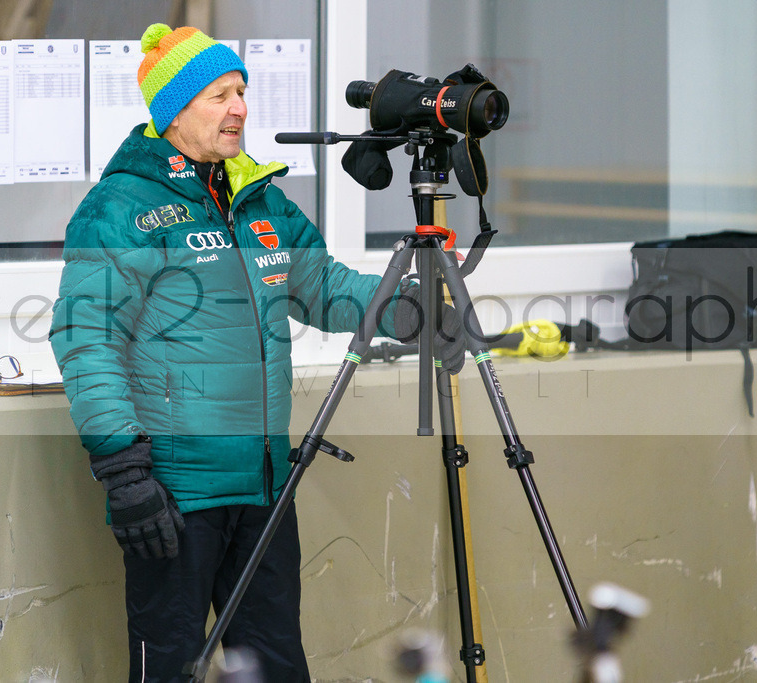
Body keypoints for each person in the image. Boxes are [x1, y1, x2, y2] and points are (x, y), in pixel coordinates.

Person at [49, 23, 462, 682]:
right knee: (170, 669)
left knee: (274, 667)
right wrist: (123, 471)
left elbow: (324, 287)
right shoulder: (120, 208)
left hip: (267, 485)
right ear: (173, 110)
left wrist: (413, 307)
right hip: (173, 492)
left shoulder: (257, 198)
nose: (240, 107)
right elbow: (85, 334)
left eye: (242, 91)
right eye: (219, 94)